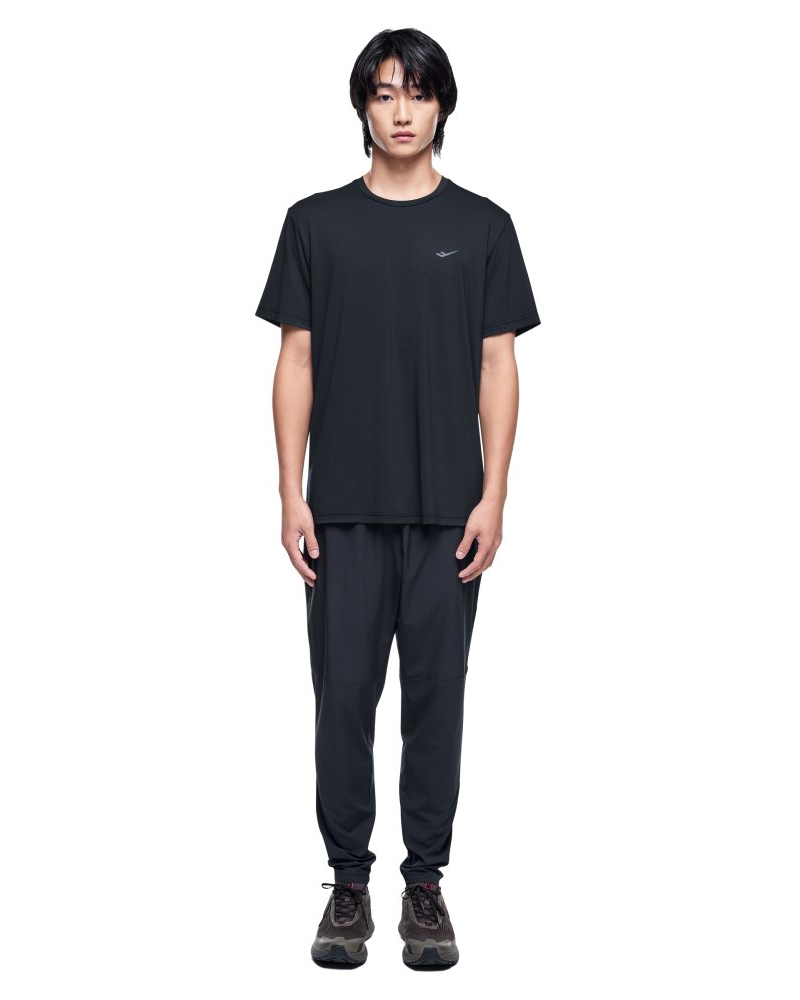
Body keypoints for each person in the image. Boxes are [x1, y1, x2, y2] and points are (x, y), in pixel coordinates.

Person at [255, 27, 541, 971]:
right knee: (341, 701)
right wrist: (289, 491)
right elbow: (295, 359)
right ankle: (348, 884)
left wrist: (494, 494)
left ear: (442, 104)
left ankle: (425, 884)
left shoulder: (485, 227)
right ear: (363, 109)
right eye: (384, 94)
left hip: (448, 511)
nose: (402, 111)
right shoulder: (315, 224)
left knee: (436, 701)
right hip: (340, 510)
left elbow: (498, 365)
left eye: (417, 93)